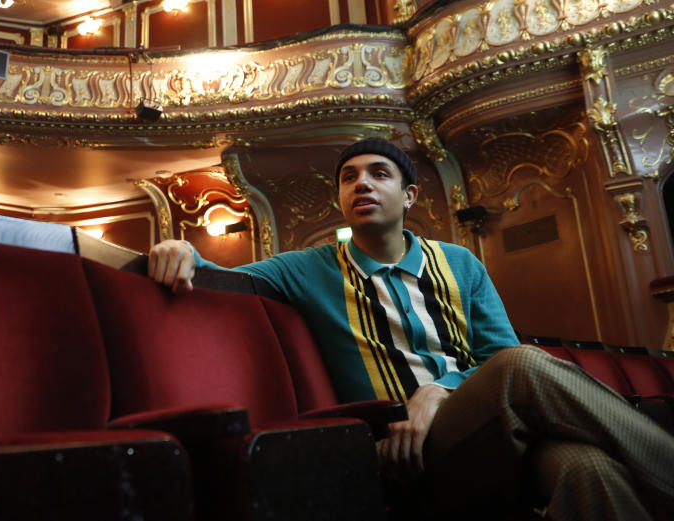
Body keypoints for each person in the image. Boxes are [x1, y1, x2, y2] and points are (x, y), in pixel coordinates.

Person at [147, 138, 674, 521]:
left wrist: (440, 390)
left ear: (410, 196)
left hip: (490, 430)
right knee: (527, 364)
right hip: (403, 449)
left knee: (590, 471)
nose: (362, 184)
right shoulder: (309, 267)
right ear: (341, 199)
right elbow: (223, 280)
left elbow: (497, 353)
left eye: (379, 173)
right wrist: (180, 249)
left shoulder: (460, 263)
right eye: (350, 177)